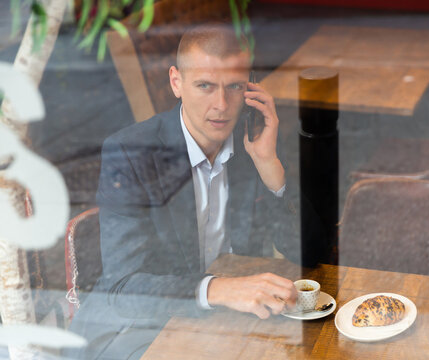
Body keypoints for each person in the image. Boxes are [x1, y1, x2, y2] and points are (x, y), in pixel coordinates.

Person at [65, 24, 299, 359]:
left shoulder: (257, 142)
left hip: (226, 323)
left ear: (249, 88)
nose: (221, 105)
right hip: (138, 328)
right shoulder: (131, 152)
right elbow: (124, 288)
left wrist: (271, 169)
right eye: (205, 86)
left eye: (233, 86)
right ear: (177, 82)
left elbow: (308, 253)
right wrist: (219, 288)